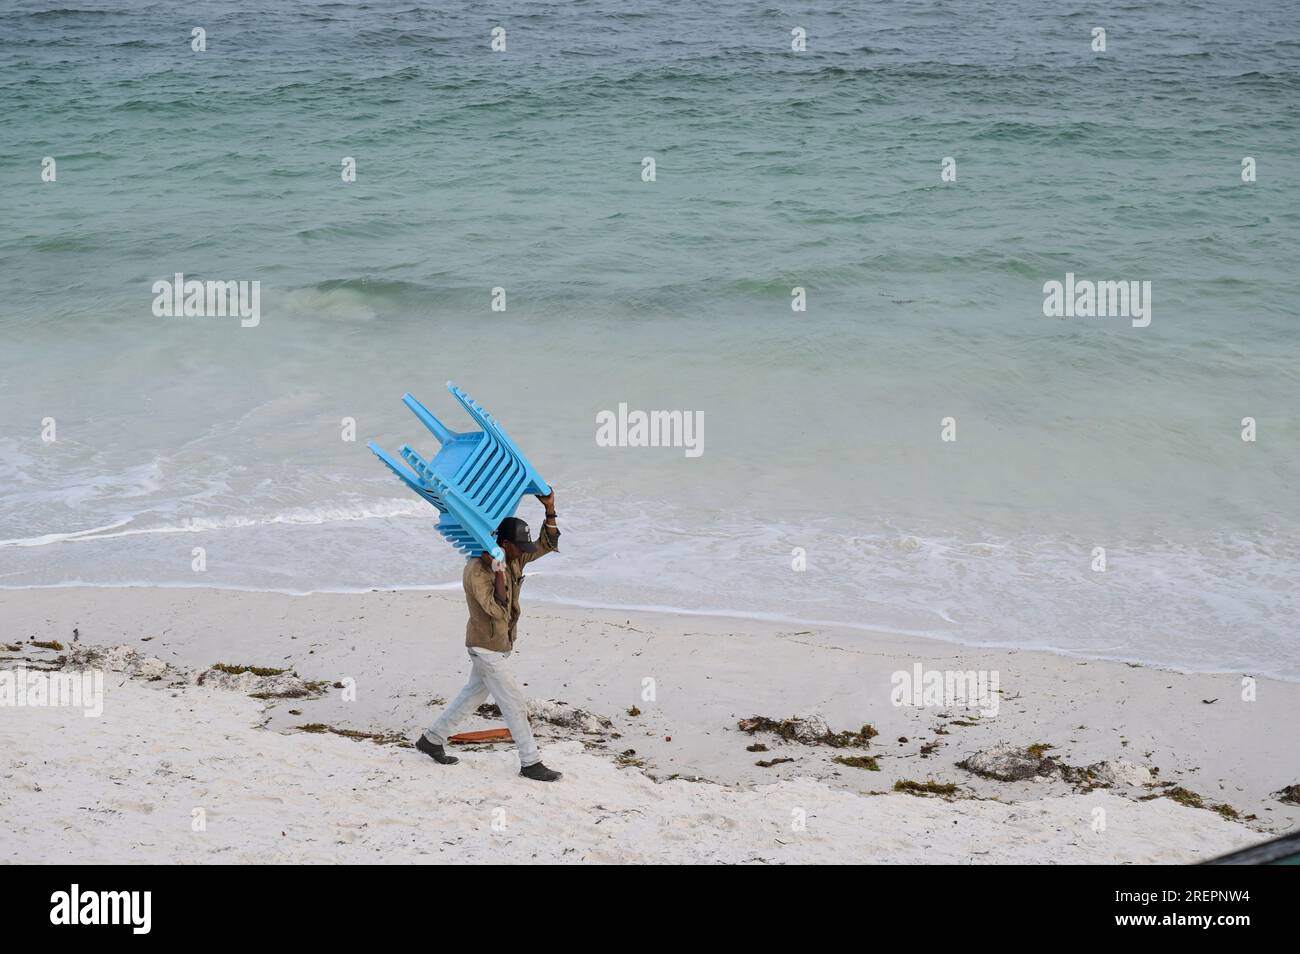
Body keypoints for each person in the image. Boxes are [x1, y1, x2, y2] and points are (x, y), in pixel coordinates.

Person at [416, 491, 563, 781]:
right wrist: (497, 571)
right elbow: (497, 610)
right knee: (513, 703)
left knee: (470, 697)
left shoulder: (515, 558)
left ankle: (431, 740)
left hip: (502, 645)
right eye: (519, 547)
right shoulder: (476, 570)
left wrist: (550, 509)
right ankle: (530, 762)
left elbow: (549, 543)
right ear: (504, 544)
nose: (524, 551)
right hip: (485, 648)